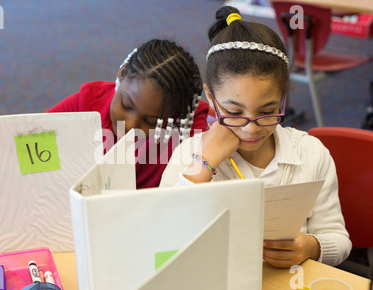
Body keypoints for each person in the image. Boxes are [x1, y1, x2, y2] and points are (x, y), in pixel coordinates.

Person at [160, 6, 351, 268]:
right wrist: (203, 164)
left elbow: (339, 239)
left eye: (268, 111)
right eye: (234, 112)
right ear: (210, 97)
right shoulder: (189, 154)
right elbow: (162, 238)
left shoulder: (310, 154)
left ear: (283, 98)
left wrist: (311, 246)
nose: (251, 128)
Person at [47, 39, 209, 189]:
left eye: (151, 122)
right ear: (122, 73)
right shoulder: (89, 101)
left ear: (175, 116)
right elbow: (31, 140)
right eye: (126, 105)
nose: (130, 124)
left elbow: (193, 193)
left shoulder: (186, 125)